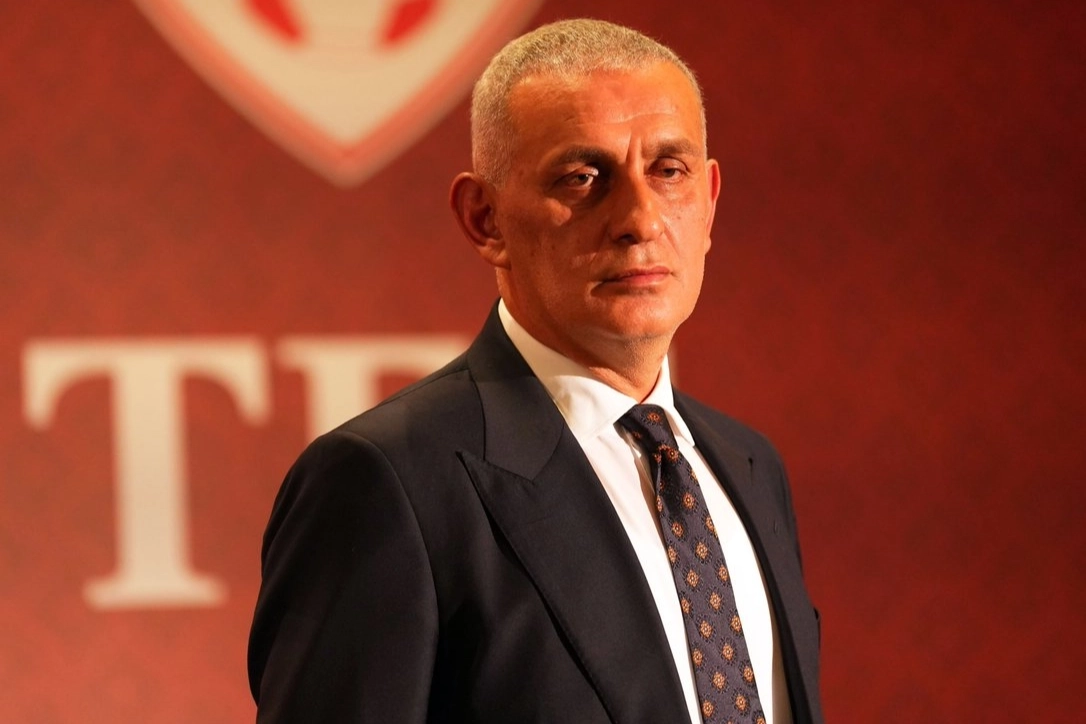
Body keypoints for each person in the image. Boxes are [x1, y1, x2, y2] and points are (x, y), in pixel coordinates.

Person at [248, 18, 822, 724]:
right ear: (484, 218)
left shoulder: (749, 466)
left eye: (668, 171)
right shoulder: (387, 482)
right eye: (583, 178)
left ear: (708, 201)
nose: (640, 219)